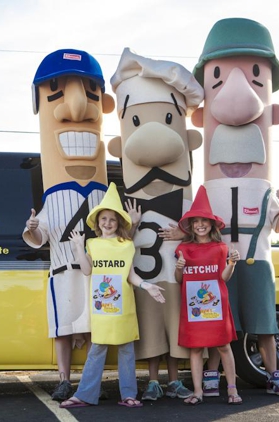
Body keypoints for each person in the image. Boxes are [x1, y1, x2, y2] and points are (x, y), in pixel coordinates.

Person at [191, 18, 279, 396]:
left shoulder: (264, 189)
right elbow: (195, 224)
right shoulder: (208, 189)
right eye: (216, 77)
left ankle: (275, 375)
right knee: (219, 324)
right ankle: (215, 379)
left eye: (254, 75)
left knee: (264, 324)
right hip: (220, 266)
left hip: (258, 262)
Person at [109, 47, 204, 401]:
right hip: (144, 273)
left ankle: (175, 379)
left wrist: (184, 231)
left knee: (176, 327)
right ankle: (151, 380)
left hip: (177, 272)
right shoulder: (125, 199)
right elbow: (117, 238)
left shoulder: (187, 198)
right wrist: (130, 226)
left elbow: (206, 231)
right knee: (149, 329)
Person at [23, 48, 115, 401]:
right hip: (63, 270)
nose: (77, 107)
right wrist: (32, 226)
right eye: (57, 91)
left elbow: (118, 229)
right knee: (62, 329)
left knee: (97, 328)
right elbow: (39, 234)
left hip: (98, 273)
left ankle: (90, 381)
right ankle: (64, 378)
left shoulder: (105, 195)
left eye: (91, 91)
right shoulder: (51, 198)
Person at [59, 183, 165, 408]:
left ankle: (129, 395)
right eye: (103, 219)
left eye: (112, 219)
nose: (107, 223)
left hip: (124, 306)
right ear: (97, 222)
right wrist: (78, 246)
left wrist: (147, 286)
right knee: (97, 348)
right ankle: (85, 395)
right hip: (101, 308)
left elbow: (130, 275)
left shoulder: (126, 245)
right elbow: (87, 270)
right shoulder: (92, 244)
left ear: (119, 223)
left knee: (126, 350)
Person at [174, 185, 242, 405]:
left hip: (217, 306)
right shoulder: (183, 249)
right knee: (195, 349)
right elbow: (178, 279)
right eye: (196, 221)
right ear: (191, 226)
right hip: (194, 309)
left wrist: (231, 264)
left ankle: (232, 390)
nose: (200, 225)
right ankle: (197, 391)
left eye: (204, 221)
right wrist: (179, 267)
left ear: (211, 224)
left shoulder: (221, 248)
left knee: (223, 346)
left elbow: (224, 277)